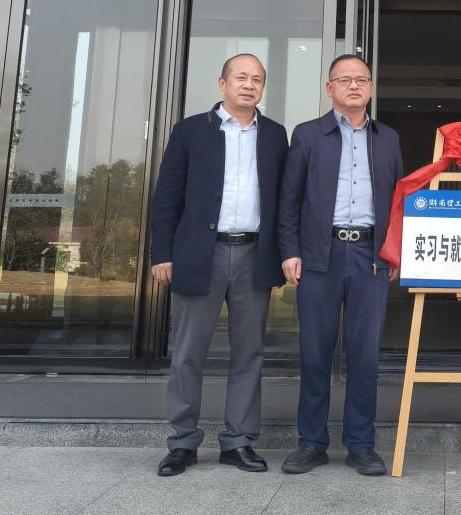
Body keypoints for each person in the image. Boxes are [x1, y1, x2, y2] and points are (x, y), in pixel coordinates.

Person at [151, 53, 288, 476]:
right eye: (241, 77)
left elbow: (284, 202)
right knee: (188, 353)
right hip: (200, 253)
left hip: (254, 254)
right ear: (222, 82)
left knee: (249, 352)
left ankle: (238, 441)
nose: (249, 85)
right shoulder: (190, 130)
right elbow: (167, 196)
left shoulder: (275, 135)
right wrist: (162, 253)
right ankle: (182, 443)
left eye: (257, 79)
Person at [278, 54, 402, 477]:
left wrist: (394, 250)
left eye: (361, 79)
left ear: (371, 88)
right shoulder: (308, 134)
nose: (353, 85)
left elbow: (398, 202)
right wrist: (289, 250)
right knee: (315, 353)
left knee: (365, 356)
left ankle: (361, 445)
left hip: (370, 257)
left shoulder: (388, 138)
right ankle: (311, 443)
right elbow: (289, 199)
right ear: (329, 87)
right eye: (344, 79)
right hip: (320, 254)